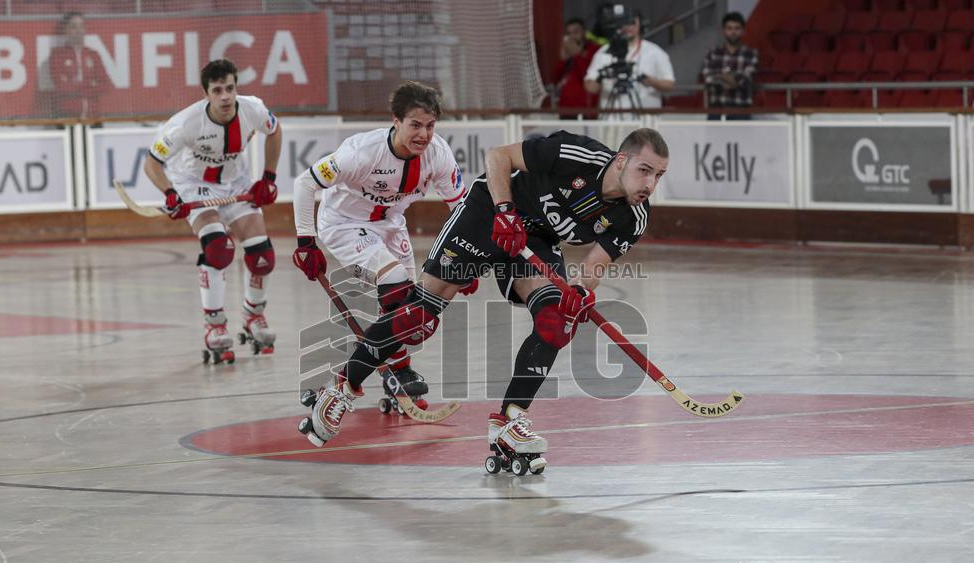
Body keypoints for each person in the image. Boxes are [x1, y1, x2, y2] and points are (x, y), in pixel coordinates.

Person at [298, 127, 670, 468]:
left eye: (658, 175)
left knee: (556, 320)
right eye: (644, 170)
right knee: (418, 317)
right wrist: (506, 212)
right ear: (620, 161)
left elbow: (594, 265)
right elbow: (498, 156)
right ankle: (341, 389)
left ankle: (509, 421)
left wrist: (581, 292)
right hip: (488, 213)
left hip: (535, 241)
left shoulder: (634, 216)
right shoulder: (577, 154)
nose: (650, 184)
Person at [291, 81, 468, 408]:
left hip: (391, 224)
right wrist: (306, 242)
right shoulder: (361, 152)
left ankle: (393, 369)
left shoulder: (438, 154)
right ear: (396, 121)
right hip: (344, 224)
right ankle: (391, 371)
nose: (424, 135)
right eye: (415, 125)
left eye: (430, 126)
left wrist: (467, 256)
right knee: (396, 285)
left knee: (412, 309)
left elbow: (462, 209)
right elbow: (305, 183)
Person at [143, 58, 282, 364]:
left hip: (236, 184)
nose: (225, 97)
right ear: (206, 94)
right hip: (194, 185)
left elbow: (275, 130)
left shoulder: (253, 109)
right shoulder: (185, 124)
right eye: (217, 91)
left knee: (263, 256)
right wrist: (170, 194)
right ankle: (214, 325)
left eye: (230, 88)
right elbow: (151, 163)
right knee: (218, 249)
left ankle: (253, 316)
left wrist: (269, 177)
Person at [584, 9, 675, 116]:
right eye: (624, 23)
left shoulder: (655, 52)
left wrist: (650, 81)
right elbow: (590, 87)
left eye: (632, 22)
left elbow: (670, 85)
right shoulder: (603, 52)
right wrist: (602, 76)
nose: (628, 27)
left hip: (644, 121)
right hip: (611, 120)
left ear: (640, 25)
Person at [48, 12, 110, 121]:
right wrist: (90, 84)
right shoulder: (57, 55)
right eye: (74, 27)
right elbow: (61, 86)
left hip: (93, 116)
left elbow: (105, 85)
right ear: (66, 30)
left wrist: (75, 85)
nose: (79, 30)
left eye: (81, 26)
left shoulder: (93, 55)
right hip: (66, 117)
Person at [701, 11, 758, 119]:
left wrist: (721, 76)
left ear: (743, 31)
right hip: (716, 110)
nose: (733, 32)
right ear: (723, 31)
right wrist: (734, 78)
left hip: (742, 111)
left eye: (737, 28)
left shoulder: (751, 54)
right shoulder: (712, 53)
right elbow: (709, 79)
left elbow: (746, 80)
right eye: (729, 28)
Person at [552, 18, 600, 119]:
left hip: (586, 111)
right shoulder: (567, 50)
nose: (572, 37)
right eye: (569, 33)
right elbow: (555, 80)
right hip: (565, 110)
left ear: (584, 33)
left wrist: (577, 54)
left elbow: (587, 77)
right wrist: (562, 60)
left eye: (576, 32)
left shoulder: (594, 50)